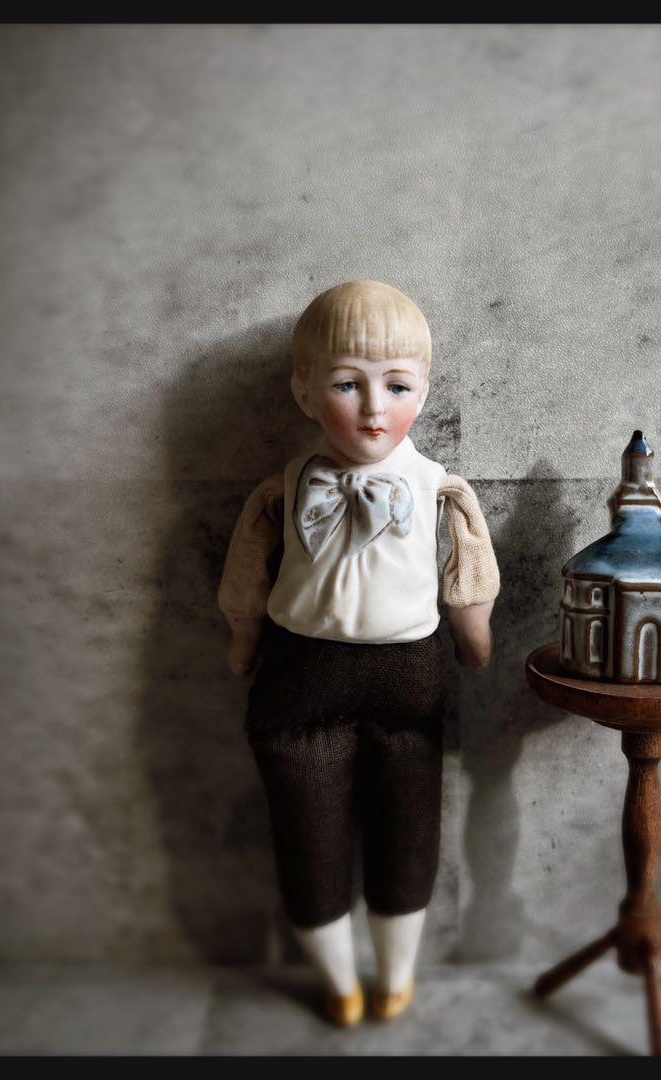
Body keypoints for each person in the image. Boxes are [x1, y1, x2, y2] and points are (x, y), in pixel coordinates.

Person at [218, 280, 500, 1026]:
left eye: (397, 386)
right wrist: (244, 634)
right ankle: (339, 979)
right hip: (300, 674)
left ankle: (396, 972)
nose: (375, 409)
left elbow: (471, 568)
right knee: (306, 829)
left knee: (410, 825)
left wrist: (474, 635)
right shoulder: (285, 488)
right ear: (305, 392)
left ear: (424, 392)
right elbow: (246, 572)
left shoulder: (437, 486)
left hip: (408, 674)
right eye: (348, 384)